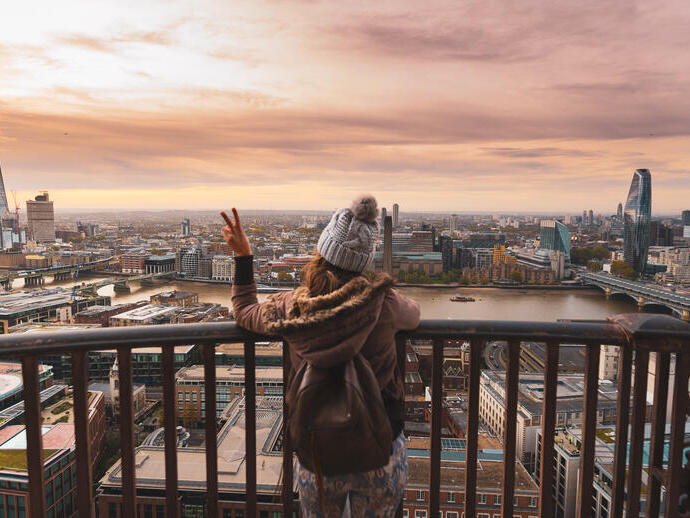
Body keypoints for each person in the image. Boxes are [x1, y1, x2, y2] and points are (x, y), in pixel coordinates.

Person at [221, 195, 420, 518]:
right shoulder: (385, 303)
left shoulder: (291, 307)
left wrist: (243, 256)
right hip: (380, 449)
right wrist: (383, 290)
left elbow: (243, 311)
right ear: (365, 262)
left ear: (321, 253)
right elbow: (415, 315)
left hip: (317, 452)